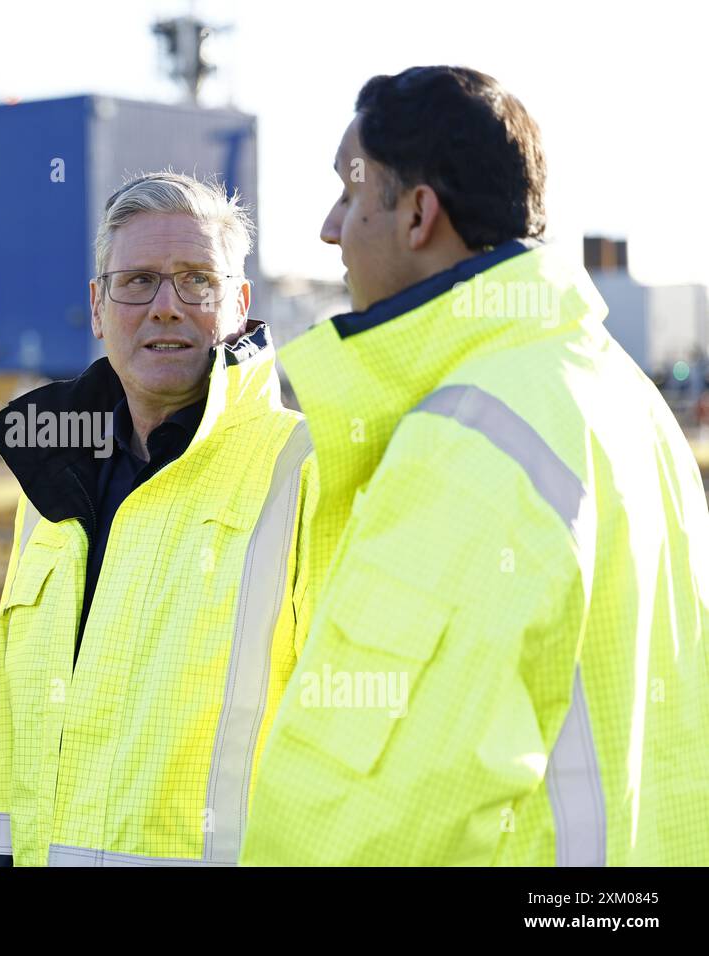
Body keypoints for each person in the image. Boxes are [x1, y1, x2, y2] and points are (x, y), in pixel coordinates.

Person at [241, 66, 709, 865]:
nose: (329, 227)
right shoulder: (619, 392)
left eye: (349, 194)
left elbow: (374, 814)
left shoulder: (468, 439)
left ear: (420, 213)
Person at [0, 171, 318, 866]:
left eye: (196, 280)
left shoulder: (306, 469)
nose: (165, 306)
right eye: (137, 282)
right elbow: (11, 736)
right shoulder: (49, 483)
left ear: (239, 304)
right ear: (98, 308)